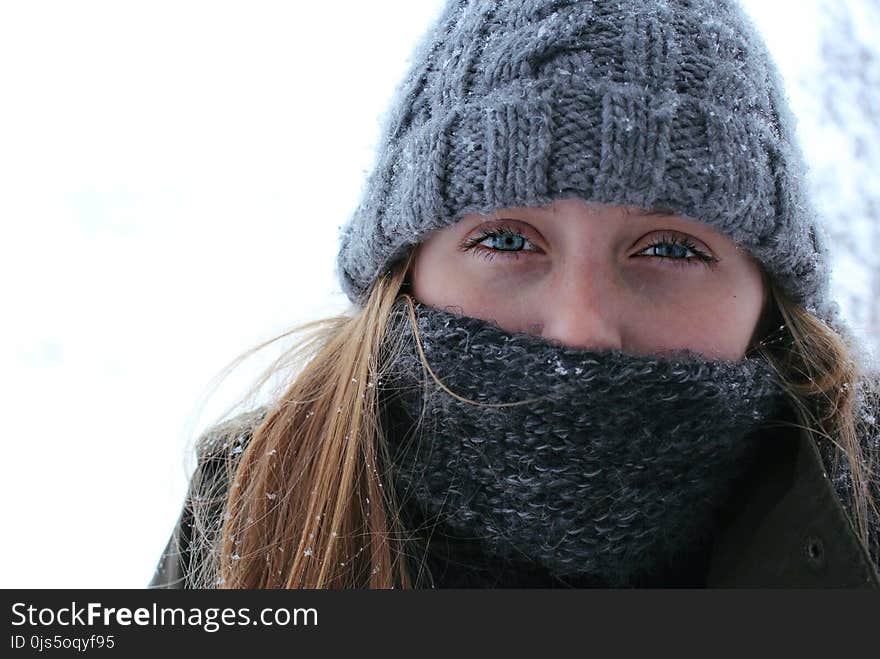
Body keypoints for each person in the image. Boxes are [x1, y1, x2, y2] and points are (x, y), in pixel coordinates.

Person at [149, 0, 880, 589]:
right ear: (404, 268)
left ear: (768, 293)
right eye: (506, 240)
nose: (580, 328)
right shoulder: (256, 505)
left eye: (670, 248)